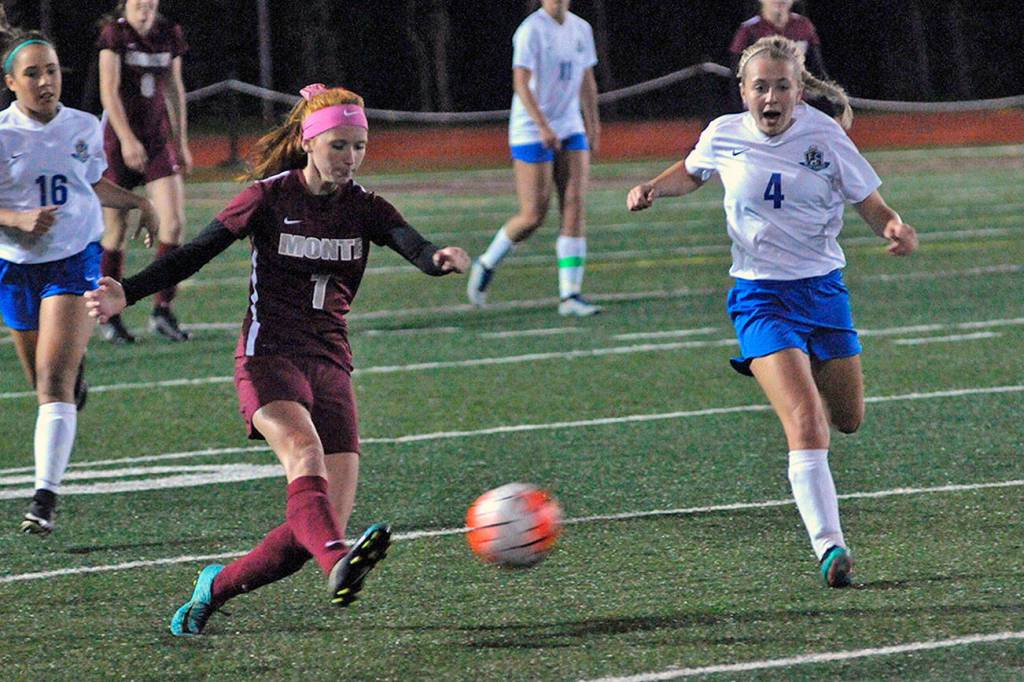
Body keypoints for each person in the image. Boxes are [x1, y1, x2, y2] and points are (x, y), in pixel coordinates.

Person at [85, 83, 470, 634]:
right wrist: (128, 291)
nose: (350, 158)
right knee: (304, 456)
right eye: (339, 145)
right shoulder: (267, 198)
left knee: (315, 525)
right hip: (268, 355)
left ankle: (216, 587)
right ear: (309, 142)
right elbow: (193, 253)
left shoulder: (366, 207)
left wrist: (439, 258)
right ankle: (338, 563)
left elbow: (414, 245)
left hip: (331, 362)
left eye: (359, 147)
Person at [626, 36, 918, 588]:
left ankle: (804, 393)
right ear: (743, 91)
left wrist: (893, 227)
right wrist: (653, 188)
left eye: (782, 86)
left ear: (799, 91)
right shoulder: (724, 133)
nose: (771, 97)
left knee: (848, 418)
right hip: (760, 297)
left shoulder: (824, 136)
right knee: (806, 421)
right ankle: (830, 547)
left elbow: (870, 202)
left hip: (823, 293)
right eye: (760, 87)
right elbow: (692, 170)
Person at [0, 30, 157, 534]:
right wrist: (16, 219)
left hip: (73, 259)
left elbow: (89, 183)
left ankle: (44, 497)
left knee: (52, 384)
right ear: (11, 82)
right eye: (32, 73)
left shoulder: (83, 126)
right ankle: (74, 372)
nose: (46, 81)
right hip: (14, 266)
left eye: (52, 70)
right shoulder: (2, 134)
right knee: (42, 382)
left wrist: (138, 201)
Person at [466, 0, 601, 316]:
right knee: (533, 215)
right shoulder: (530, 30)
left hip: (569, 124)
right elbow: (521, 83)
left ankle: (570, 296)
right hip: (530, 127)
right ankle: (487, 262)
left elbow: (586, 79)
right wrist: (542, 125)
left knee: (575, 203)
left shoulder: (581, 29)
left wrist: (593, 124)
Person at [96, 0, 191, 343]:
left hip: (156, 139)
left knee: (174, 223)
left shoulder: (168, 33)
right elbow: (108, 91)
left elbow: (175, 89)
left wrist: (181, 141)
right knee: (116, 230)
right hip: (118, 140)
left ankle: (162, 309)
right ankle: (110, 315)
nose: (146, 6)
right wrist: (126, 139)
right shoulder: (115, 34)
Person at [727, 1, 834, 116]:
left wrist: (832, 110)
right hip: (760, 109)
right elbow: (736, 78)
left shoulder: (803, 26)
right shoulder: (749, 30)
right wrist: (738, 114)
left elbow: (818, 71)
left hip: (796, 108)